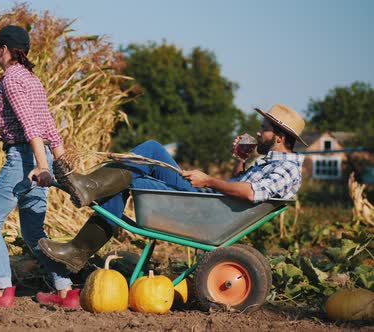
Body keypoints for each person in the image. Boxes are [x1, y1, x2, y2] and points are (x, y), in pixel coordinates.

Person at [38, 104, 307, 273]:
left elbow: (249, 194)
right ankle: (85, 206)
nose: (259, 133)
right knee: (149, 156)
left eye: (264, 129)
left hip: (208, 205)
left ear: (280, 137)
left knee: (137, 169)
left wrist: (208, 181)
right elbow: (242, 185)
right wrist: (240, 159)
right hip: (212, 202)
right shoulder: (271, 162)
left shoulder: (286, 168)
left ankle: (81, 235)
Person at [0, 25, 79, 308]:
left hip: (25, 163)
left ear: (4, 49)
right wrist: (60, 164)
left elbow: (31, 126)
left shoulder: (11, 80)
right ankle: (65, 291)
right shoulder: (31, 79)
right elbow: (48, 125)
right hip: (39, 158)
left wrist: (41, 166)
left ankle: (2, 290)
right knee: (32, 233)